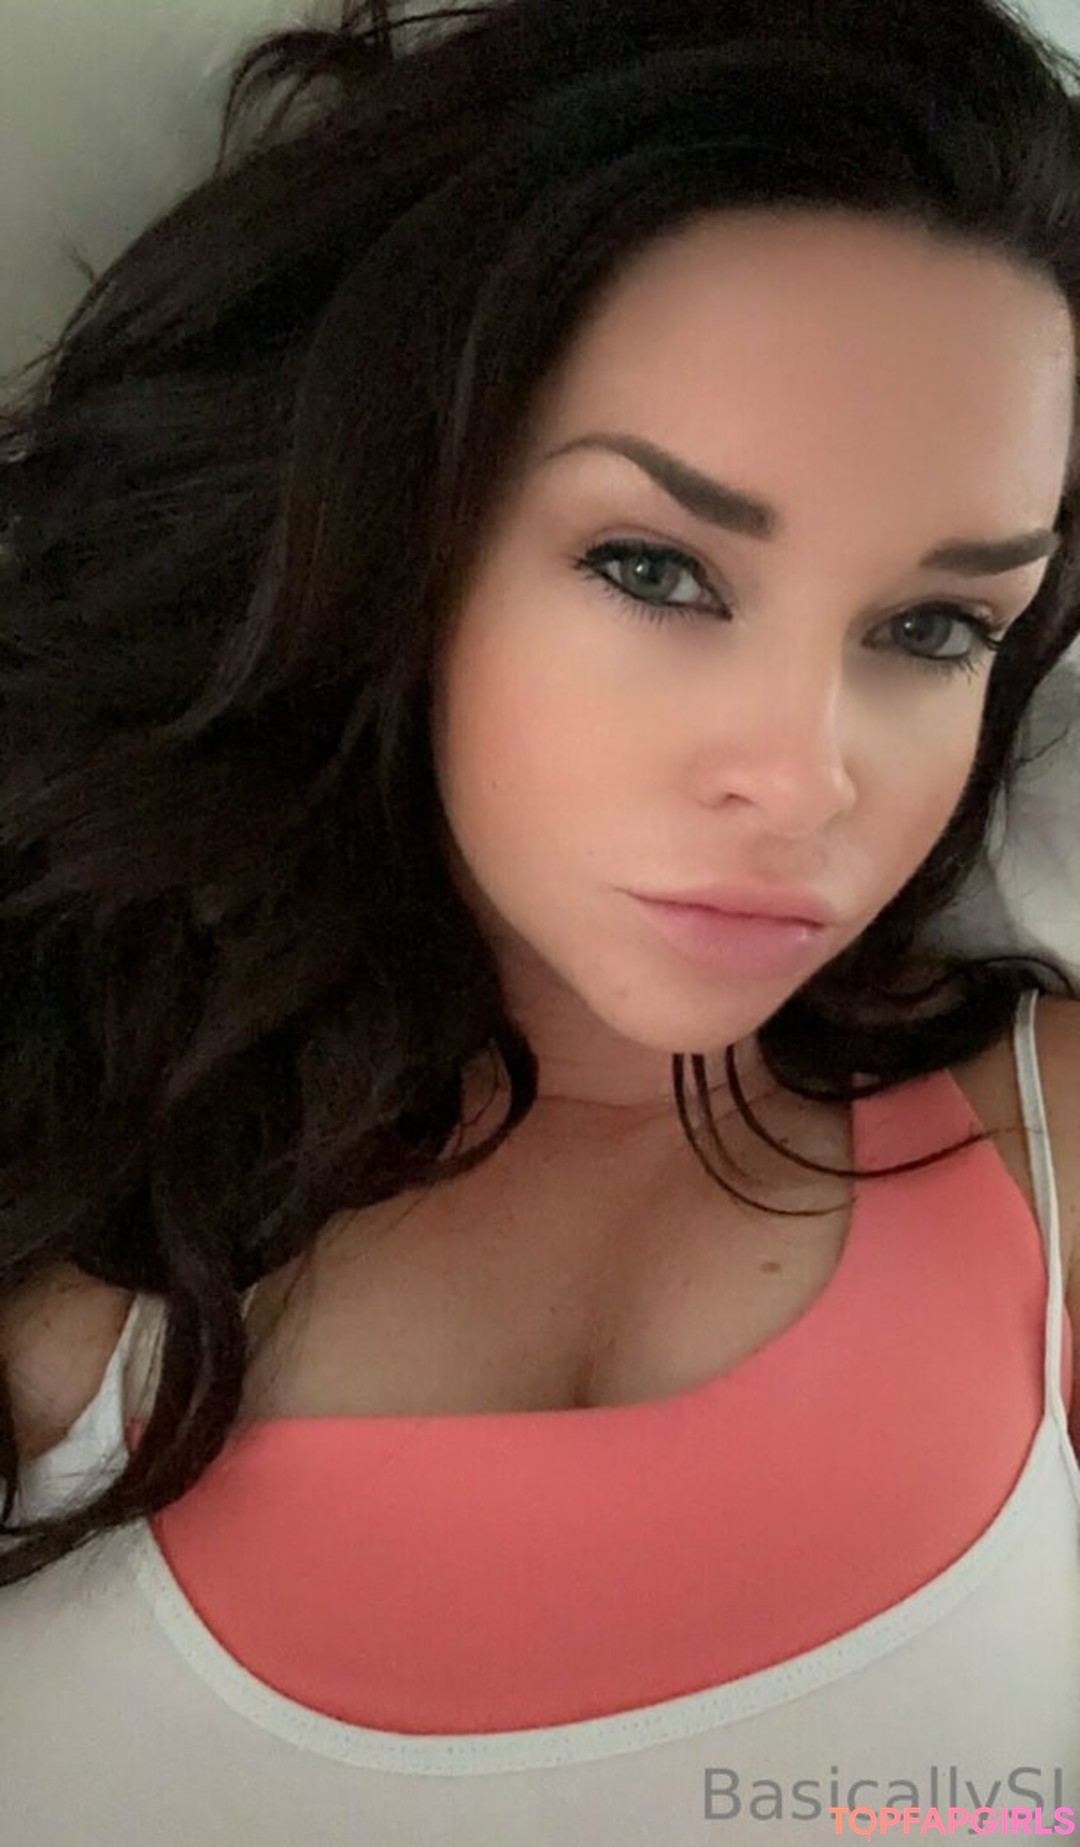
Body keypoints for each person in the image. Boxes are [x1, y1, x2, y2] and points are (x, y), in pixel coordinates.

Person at [0, 0, 1078, 1836]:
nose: (806, 778)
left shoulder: (1053, 1151)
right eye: (655, 568)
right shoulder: (55, 1205)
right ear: (390, 533)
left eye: (933, 628)